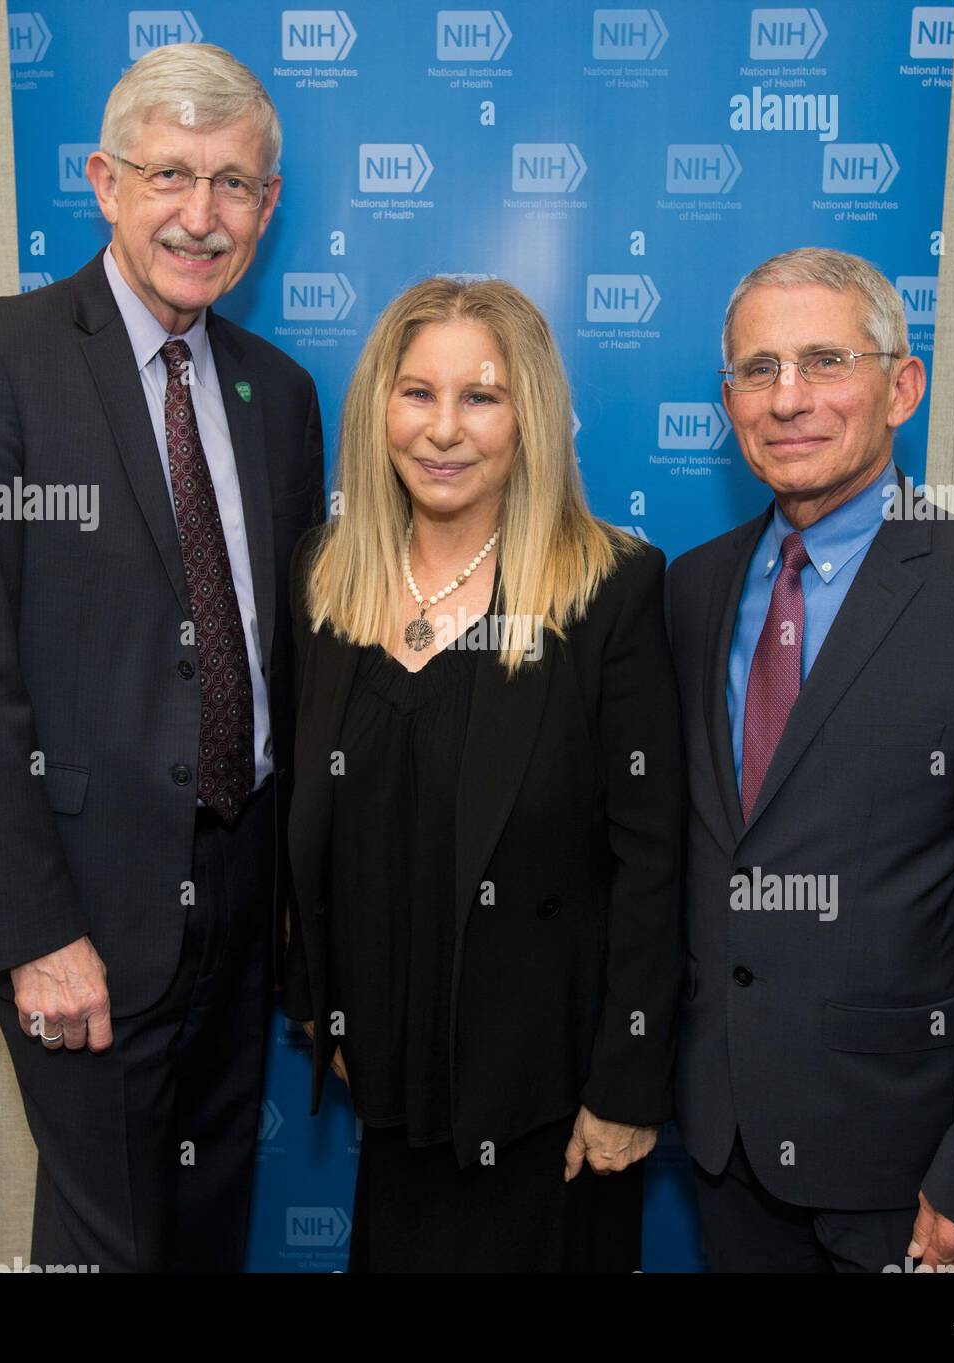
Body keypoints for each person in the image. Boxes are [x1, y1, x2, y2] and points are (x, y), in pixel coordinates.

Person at [0, 43, 323, 1271]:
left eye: (235, 184)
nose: (202, 214)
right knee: (106, 1244)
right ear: (105, 182)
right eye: (171, 174)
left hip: (244, 902)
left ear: (268, 205)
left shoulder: (278, 395)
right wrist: (32, 928)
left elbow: (278, 659)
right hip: (85, 903)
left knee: (203, 1226)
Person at [668, 247, 954, 1273]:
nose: (787, 399)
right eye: (756, 369)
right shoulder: (690, 592)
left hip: (903, 1172)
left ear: (900, 385)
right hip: (724, 1139)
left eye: (824, 361)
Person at [280, 277, 683, 1272]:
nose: (444, 429)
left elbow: (652, 860)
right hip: (390, 1082)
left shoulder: (608, 589)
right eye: (417, 393)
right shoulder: (325, 579)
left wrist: (627, 1084)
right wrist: (320, 1000)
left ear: (531, 416)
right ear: (378, 408)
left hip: (550, 1104)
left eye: (481, 397)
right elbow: (306, 825)